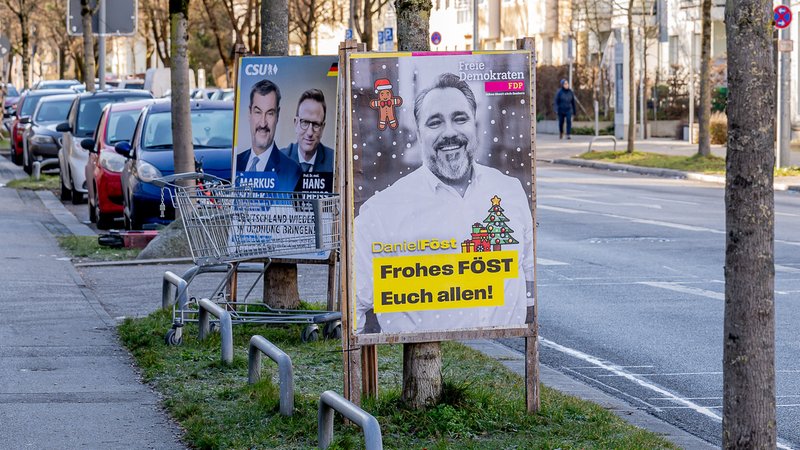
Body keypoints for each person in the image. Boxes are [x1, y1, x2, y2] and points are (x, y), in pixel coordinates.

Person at [354, 72, 534, 335]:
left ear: (475, 124)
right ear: (419, 133)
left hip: (505, 355)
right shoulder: (381, 212)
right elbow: (355, 307)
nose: (450, 132)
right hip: (425, 355)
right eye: (435, 122)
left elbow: (529, 279)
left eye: (460, 119)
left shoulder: (509, 191)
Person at [235, 79, 302, 191]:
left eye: (270, 113)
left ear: (277, 115)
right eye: (258, 112)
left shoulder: (292, 171)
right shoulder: (236, 163)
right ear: (249, 113)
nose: (263, 123)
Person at [281, 89, 334, 173]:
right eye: (305, 122)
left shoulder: (334, 162)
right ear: (296, 123)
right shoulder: (279, 160)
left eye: (316, 124)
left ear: (322, 128)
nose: (310, 133)